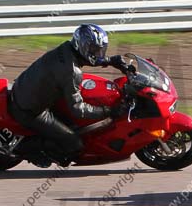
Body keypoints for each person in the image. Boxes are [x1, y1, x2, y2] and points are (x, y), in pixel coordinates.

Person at [8, 24, 129, 166]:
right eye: (95, 50)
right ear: (83, 46)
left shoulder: (67, 49)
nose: (98, 53)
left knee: (73, 124)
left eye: (100, 50)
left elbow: (85, 58)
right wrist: (109, 111)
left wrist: (109, 60)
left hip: (28, 89)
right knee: (75, 143)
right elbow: (78, 109)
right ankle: (23, 148)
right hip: (30, 110)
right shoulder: (71, 72)